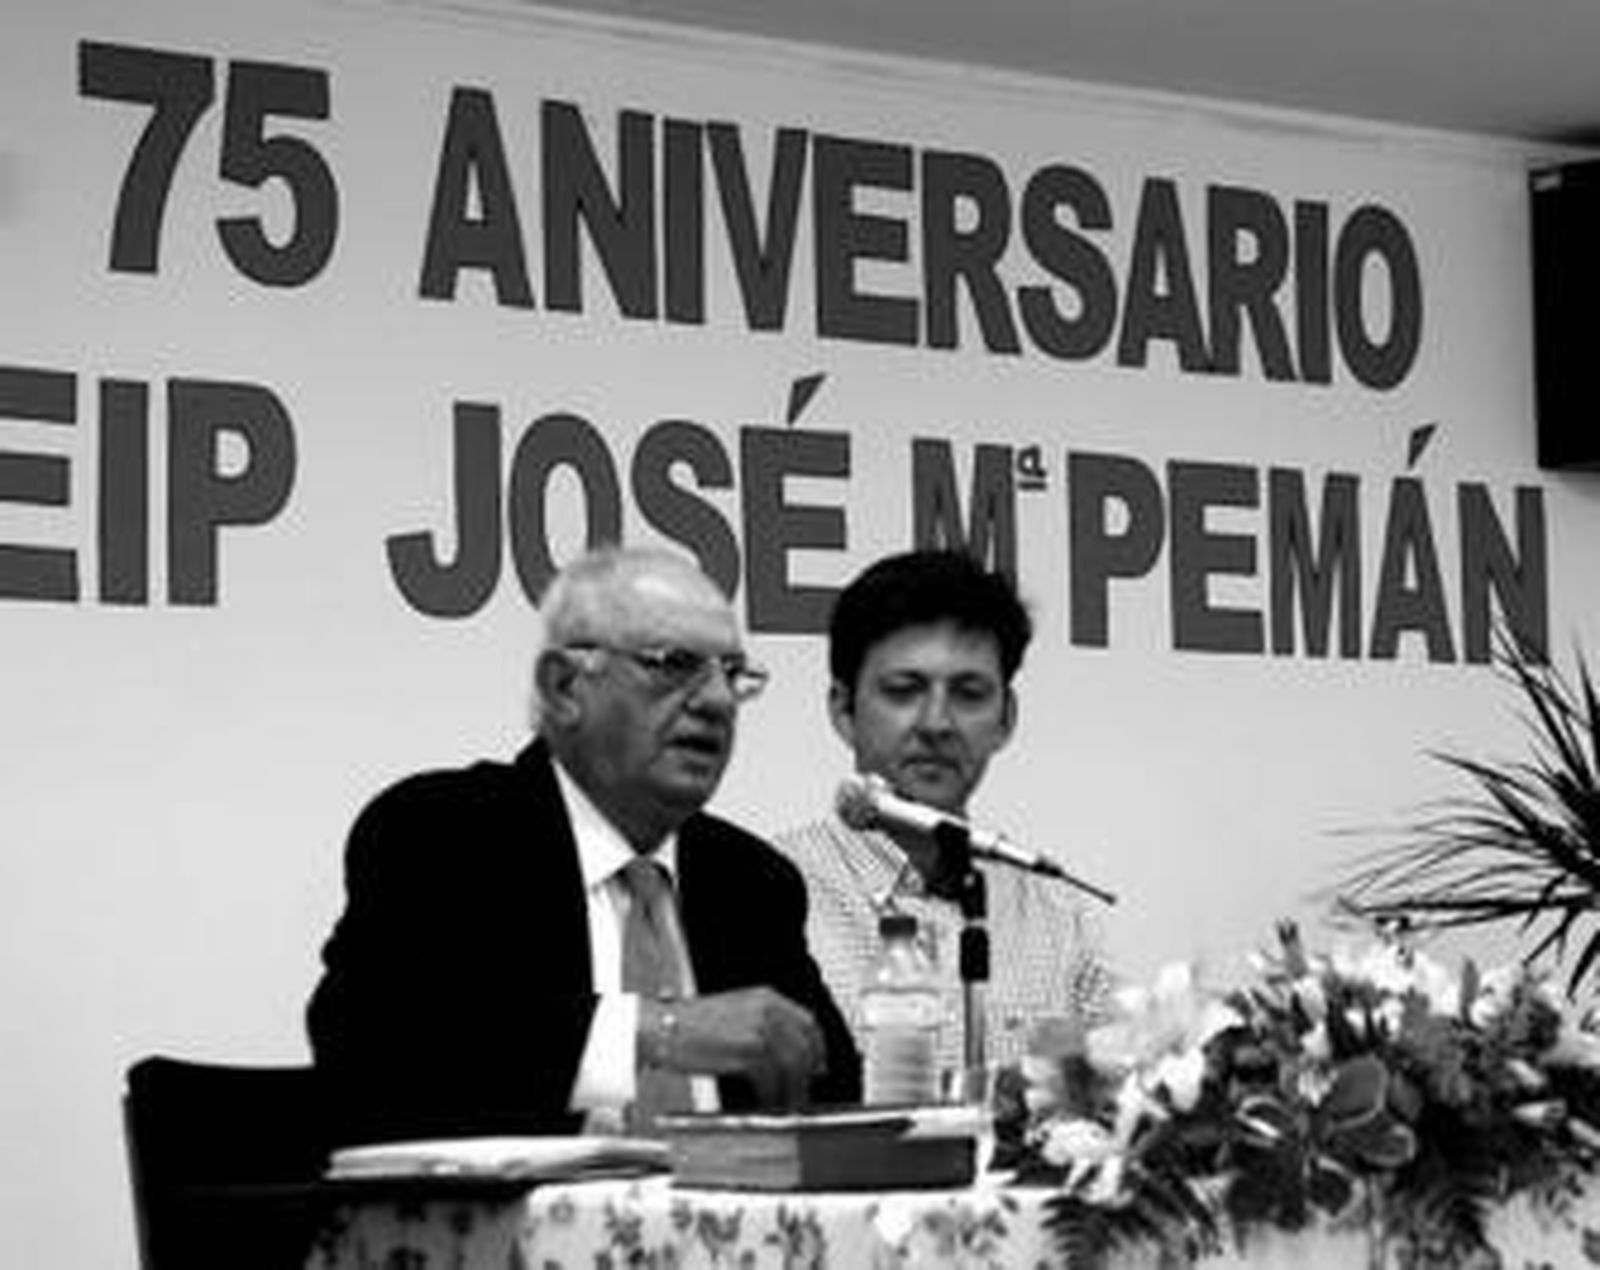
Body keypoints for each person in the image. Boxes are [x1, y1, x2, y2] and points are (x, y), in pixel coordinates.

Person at [307, 545, 861, 1139]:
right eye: (674, 664)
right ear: (565, 685)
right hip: (510, 1224)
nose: (718, 701)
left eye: (731, 674)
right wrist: (655, 1032)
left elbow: (831, 1089)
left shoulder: (748, 879)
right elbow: (371, 1043)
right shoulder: (441, 832)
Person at [774, 549, 1113, 1080]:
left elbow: (1108, 1112)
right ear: (843, 710)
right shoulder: (769, 891)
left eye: (969, 693)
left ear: (1006, 718)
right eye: (904, 691)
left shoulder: (1062, 915)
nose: (937, 722)